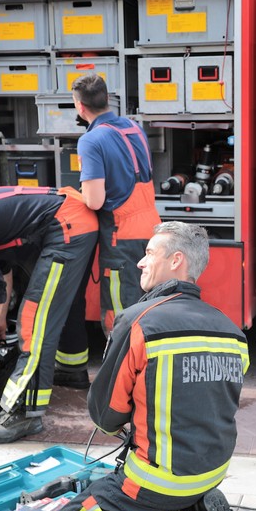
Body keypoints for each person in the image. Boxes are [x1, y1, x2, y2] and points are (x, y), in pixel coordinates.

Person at [37, 222, 248, 511]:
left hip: (156, 481)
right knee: (147, 481)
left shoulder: (140, 320)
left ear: (176, 260)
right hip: (212, 470)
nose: (139, 262)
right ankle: (192, 510)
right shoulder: (231, 331)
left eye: (150, 252)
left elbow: (106, 417)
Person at [0, 174, 98, 444]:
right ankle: (71, 370)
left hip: (66, 224)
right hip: (73, 216)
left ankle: (23, 413)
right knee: (60, 304)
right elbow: (2, 271)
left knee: (34, 318)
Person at [54, 72, 162, 389]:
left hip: (122, 240)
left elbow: (95, 198)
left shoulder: (91, 140)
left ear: (79, 105)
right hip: (151, 232)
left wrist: (71, 195)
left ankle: (123, 387)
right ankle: (145, 379)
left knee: (120, 316)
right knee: (147, 311)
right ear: (107, 99)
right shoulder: (132, 127)